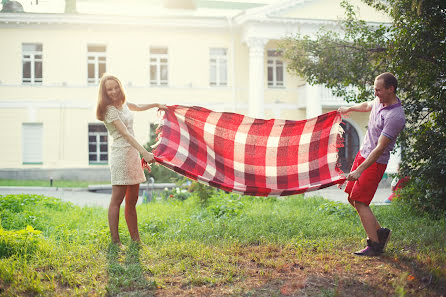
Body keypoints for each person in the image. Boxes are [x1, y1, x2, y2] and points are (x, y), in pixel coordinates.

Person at [338, 72, 405, 256]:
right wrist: (349, 108)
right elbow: (368, 104)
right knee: (352, 198)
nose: (376, 94)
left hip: (374, 162)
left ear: (391, 89)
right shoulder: (379, 101)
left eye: (379, 90)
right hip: (363, 154)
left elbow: (380, 149)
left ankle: (374, 245)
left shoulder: (395, 116)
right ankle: (381, 233)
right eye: (374, 90)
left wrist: (360, 170)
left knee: (360, 201)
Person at [96, 74, 167, 245]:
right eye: (109, 89)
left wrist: (156, 104)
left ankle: (136, 240)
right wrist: (145, 152)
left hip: (133, 155)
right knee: (117, 199)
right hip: (121, 155)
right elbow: (126, 134)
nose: (113, 91)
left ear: (120, 87)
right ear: (104, 92)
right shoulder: (109, 110)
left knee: (132, 201)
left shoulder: (123, 104)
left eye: (115, 87)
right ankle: (116, 241)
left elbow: (139, 106)